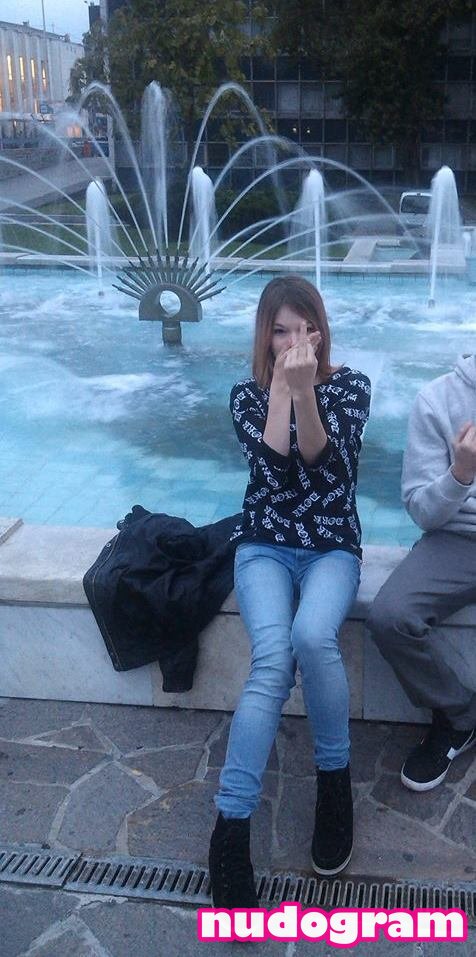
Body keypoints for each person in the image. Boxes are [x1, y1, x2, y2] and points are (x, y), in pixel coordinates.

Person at [208, 275, 371, 908]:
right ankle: (231, 827)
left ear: (321, 332)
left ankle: (334, 785)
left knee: (312, 635)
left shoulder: (351, 387)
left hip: (331, 545)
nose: (293, 340)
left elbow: (324, 468)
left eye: (304, 328)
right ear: (265, 335)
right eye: (281, 330)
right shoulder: (244, 394)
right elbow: (272, 472)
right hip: (264, 546)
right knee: (273, 658)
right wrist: (282, 391)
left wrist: (306, 394)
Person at [367, 355, 476, 792]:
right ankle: (459, 716)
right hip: (457, 539)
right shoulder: (438, 399)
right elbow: (421, 510)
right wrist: (460, 474)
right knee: (391, 616)